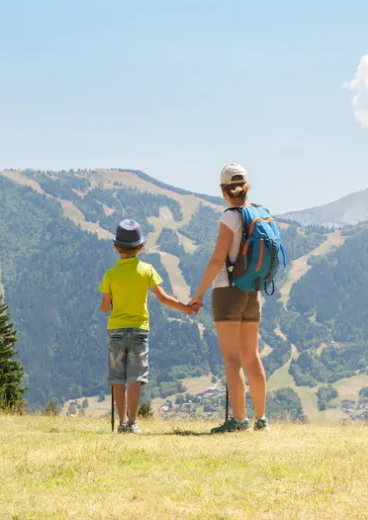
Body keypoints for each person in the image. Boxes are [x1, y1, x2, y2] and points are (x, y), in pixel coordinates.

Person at [189, 164, 269, 433]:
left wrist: (198, 293)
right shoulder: (260, 213)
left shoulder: (230, 218)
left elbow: (217, 259)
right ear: (247, 187)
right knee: (252, 356)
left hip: (227, 291)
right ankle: (261, 418)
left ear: (224, 191)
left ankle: (238, 419)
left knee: (232, 359)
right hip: (253, 292)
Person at [100, 218, 194, 434]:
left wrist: (111, 299)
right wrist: (186, 308)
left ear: (116, 247)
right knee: (135, 377)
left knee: (117, 378)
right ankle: (132, 423)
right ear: (141, 247)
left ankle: (121, 422)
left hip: (115, 331)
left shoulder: (110, 274)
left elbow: (104, 308)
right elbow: (163, 299)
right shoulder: (147, 270)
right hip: (139, 331)